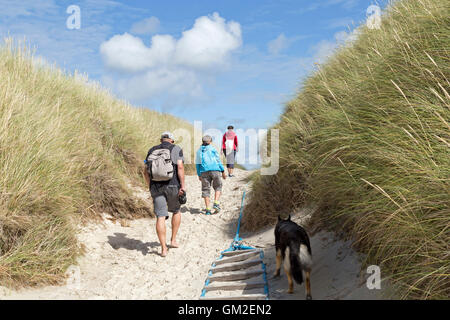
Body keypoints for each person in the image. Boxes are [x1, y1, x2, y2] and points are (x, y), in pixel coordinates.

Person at [144, 132, 186, 257]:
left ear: (161, 140)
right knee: (176, 211)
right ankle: (173, 240)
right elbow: (180, 167)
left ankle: (163, 249)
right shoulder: (176, 149)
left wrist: (149, 185)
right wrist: (183, 185)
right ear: (172, 140)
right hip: (173, 185)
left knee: (160, 217)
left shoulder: (152, 149)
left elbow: (145, 171)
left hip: (156, 187)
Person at [196, 135, 226, 215]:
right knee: (218, 186)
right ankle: (216, 203)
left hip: (204, 171)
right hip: (215, 169)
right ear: (210, 141)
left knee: (206, 189)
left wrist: (199, 174)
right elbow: (218, 160)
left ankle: (208, 209)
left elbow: (197, 164)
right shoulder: (213, 149)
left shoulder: (199, 151)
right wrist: (222, 171)